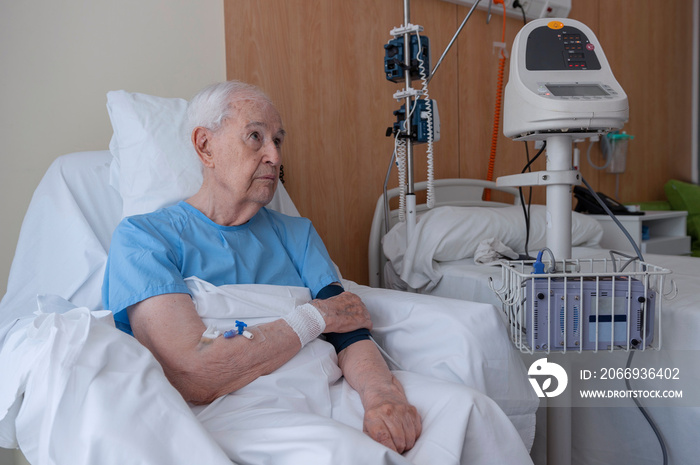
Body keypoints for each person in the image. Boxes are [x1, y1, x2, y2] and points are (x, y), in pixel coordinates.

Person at [102, 81, 533, 465]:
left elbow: (350, 332)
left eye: (278, 140)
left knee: (469, 411)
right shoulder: (144, 239)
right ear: (205, 147)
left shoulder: (295, 233)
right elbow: (194, 370)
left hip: (327, 383)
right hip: (237, 403)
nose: (274, 155)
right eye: (255, 137)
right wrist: (316, 317)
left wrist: (380, 398)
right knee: (346, 455)